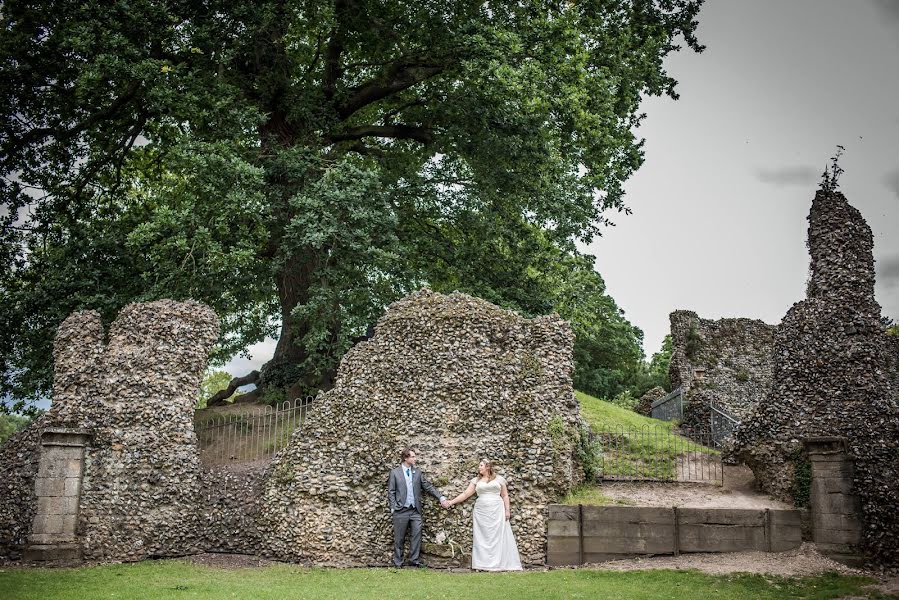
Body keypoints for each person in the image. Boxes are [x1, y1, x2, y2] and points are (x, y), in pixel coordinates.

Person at [447, 459, 523, 571]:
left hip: (497, 510)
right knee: (482, 537)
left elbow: (505, 496)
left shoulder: (499, 479)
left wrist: (507, 510)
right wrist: (451, 502)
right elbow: (466, 494)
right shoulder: (476, 480)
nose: (479, 467)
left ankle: (499, 562)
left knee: (497, 535)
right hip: (481, 511)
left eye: (481, 465)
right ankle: (482, 563)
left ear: (488, 467)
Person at [386, 447, 450, 568]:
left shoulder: (418, 472)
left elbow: (428, 486)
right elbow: (391, 491)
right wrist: (393, 507)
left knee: (417, 535)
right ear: (406, 458)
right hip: (400, 511)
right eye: (413, 456)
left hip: (415, 511)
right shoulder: (395, 473)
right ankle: (398, 562)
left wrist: (441, 497)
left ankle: (414, 560)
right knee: (399, 538)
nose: (415, 459)